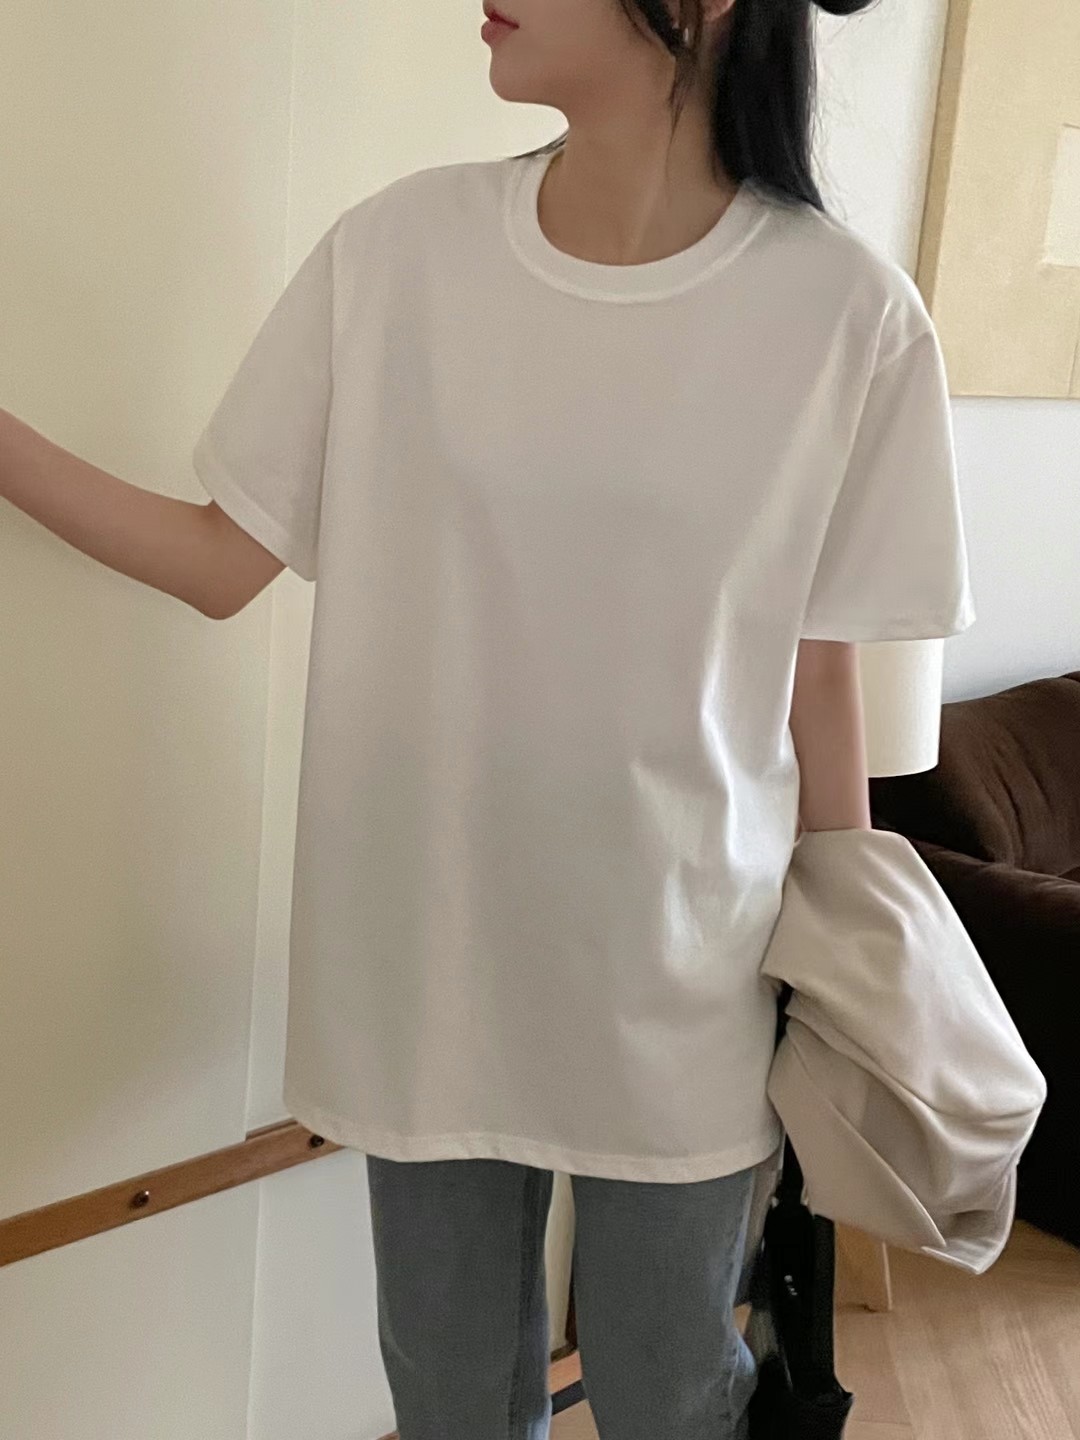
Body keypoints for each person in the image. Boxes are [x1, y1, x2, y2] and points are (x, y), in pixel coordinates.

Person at [0, 0, 976, 1434]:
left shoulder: (850, 315)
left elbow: (818, 670)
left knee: (669, 1388)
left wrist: (857, 967)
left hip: (688, 975)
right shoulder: (398, 253)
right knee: (451, 1396)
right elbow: (220, 561)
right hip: (426, 964)